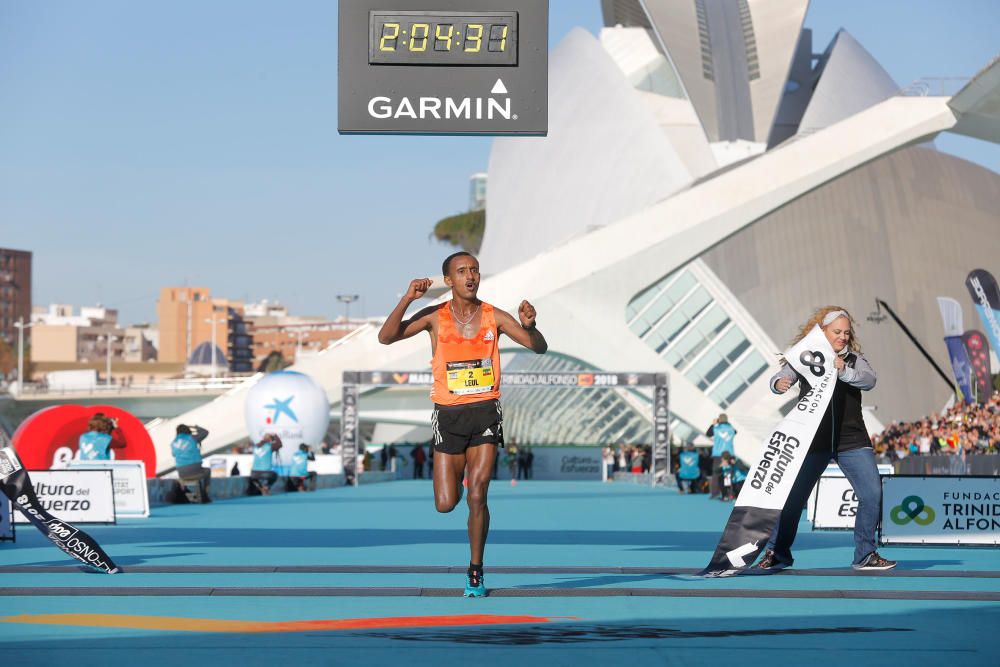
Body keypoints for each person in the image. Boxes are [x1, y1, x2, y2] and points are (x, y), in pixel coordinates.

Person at [378, 250, 547, 597]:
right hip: (448, 415)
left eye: (475, 270)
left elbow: (538, 347)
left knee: (478, 492)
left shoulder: (493, 317)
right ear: (448, 280)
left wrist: (531, 327)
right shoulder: (435, 317)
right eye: (462, 271)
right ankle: (467, 533)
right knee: (445, 503)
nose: (470, 275)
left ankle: (476, 570)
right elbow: (386, 337)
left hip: (485, 410)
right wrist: (408, 299)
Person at [757, 306, 895, 571]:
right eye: (836, 332)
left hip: (852, 440)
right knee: (793, 499)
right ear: (822, 331)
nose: (842, 337)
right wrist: (778, 384)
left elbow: (869, 380)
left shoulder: (854, 359)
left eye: (846, 332)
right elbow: (782, 375)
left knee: (872, 493)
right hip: (813, 440)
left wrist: (844, 371)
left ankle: (866, 554)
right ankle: (778, 553)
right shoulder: (806, 356)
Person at [170, 424, 211, 503]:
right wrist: (195, 427)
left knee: (191, 474)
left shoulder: (173, 443)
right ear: (188, 430)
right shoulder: (192, 438)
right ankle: (205, 493)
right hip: (196, 471)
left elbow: (173, 454)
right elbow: (205, 432)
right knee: (207, 471)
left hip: (181, 473)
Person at [706, 413, 735, 498]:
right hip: (729, 454)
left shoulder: (716, 428)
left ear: (719, 420)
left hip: (718, 454)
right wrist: (727, 423)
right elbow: (735, 431)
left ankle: (715, 493)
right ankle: (729, 493)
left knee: (716, 474)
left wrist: (713, 424)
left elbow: (708, 434)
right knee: (728, 474)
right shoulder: (731, 429)